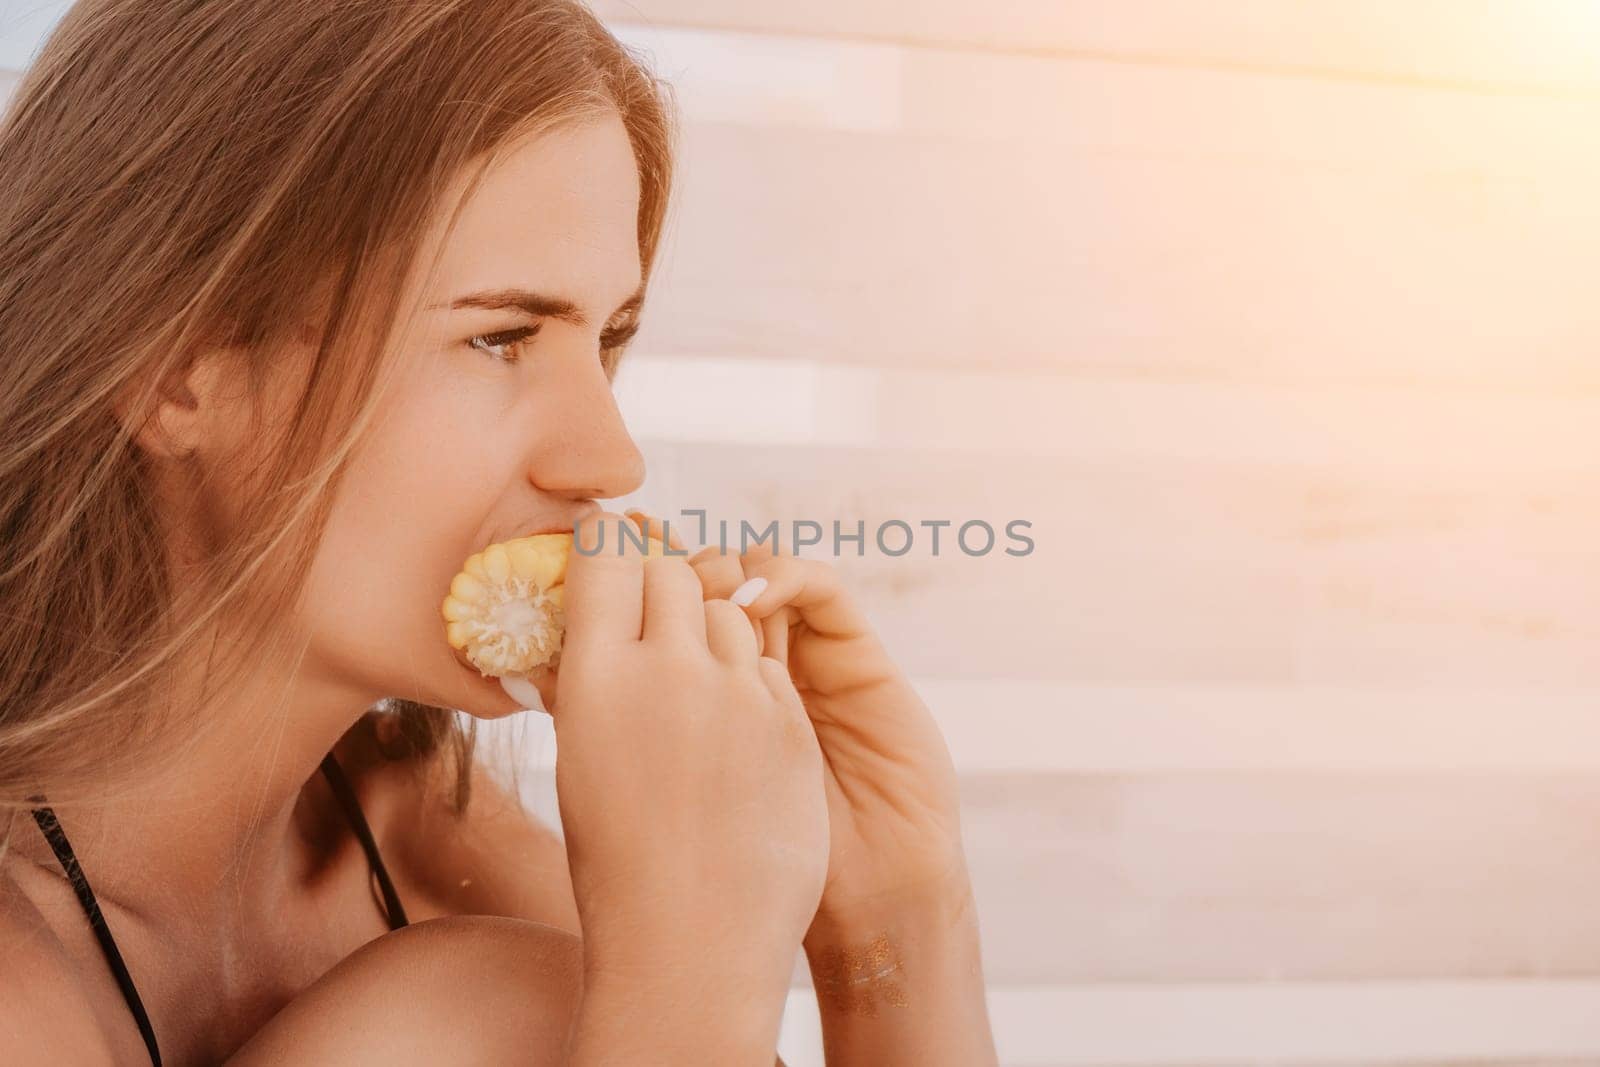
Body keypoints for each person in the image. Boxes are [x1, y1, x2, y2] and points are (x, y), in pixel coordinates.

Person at [0, 1, 999, 1063]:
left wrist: (889, 919)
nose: (611, 460)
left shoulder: (439, 845)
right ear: (171, 370)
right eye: (501, 337)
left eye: (606, 338)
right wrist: (683, 975)